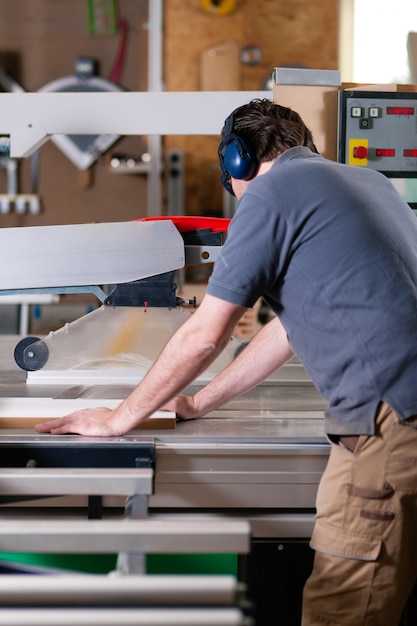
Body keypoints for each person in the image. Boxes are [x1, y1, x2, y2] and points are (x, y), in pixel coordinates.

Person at [36, 98, 417, 625]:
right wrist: (195, 401)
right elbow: (287, 327)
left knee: (342, 610)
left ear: (236, 161)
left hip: (388, 427)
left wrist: (119, 418)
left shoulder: (270, 194)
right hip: (408, 419)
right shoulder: (371, 182)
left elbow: (203, 336)